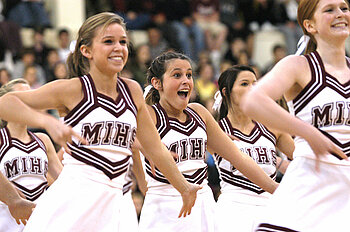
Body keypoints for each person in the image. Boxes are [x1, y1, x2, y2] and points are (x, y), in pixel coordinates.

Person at [0, 12, 200, 232]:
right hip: (73, 200)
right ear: (86, 51)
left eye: (123, 42)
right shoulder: (72, 89)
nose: (119, 47)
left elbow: (155, 148)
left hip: (113, 203)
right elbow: (6, 102)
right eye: (108, 41)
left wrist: (184, 187)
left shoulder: (132, 90)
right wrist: (46, 121)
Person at [138, 52, 278, 232]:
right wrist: (147, 147)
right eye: (177, 75)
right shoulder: (150, 114)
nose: (186, 80)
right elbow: (129, 136)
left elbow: (239, 158)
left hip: (202, 202)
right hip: (165, 205)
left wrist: (276, 188)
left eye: (189, 75)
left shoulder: (199, 112)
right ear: (157, 83)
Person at [241, 0, 350, 231]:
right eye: (330, 10)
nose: (340, 14)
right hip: (310, 180)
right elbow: (252, 101)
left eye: (344, 8)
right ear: (310, 25)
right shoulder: (298, 65)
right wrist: (307, 132)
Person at [211, 65, 294, 232]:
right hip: (233, 207)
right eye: (244, 84)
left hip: (270, 204)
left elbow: (302, 157)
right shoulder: (215, 130)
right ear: (226, 92)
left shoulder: (272, 125)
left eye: (254, 84)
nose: (252, 89)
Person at [0, 78, 62, 232]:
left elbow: (63, 180)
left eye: (31, 96)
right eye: (21, 97)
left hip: (39, 222)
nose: (28, 102)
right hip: (6, 222)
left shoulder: (43, 140)